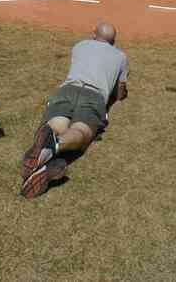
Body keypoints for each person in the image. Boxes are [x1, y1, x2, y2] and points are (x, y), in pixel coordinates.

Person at [20, 21, 129, 199]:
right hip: (94, 96)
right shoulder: (121, 56)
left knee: (56, 126)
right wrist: (119, 93)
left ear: (94, 34)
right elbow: (120, 91)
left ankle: (45, 151)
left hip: (67, 89)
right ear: (114, 41)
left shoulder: (80, 45)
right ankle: (53, 147)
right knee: (81, 133)